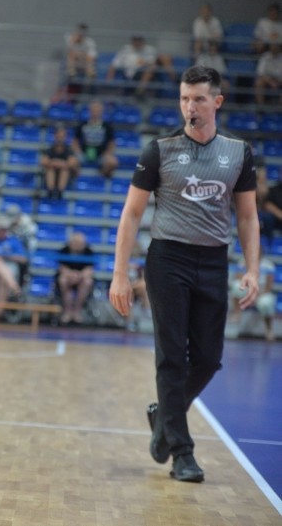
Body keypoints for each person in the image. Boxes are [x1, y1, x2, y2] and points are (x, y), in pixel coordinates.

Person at [109, 66, 260, 484]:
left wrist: (251, 269)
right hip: (167, 260)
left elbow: (247, 217)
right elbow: (132, 214)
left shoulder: (238, 152)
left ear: (217, 102)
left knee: (209, 359)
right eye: (183, 99)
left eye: (197, 99)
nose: (189, 107)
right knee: (172, 357)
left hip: (214, 261)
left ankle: (164, 414)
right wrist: (120, 274)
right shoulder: (159, 150)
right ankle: (182, 452)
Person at [106, 35, 176, 98]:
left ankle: (175, 80)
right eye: (135, 40)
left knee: (164, 57)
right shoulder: (125, 50)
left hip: (152, 74)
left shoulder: (149, 50)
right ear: (132, 41)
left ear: (142, 41)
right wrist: (109, 80)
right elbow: (114, 65)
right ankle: (139, 92)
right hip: (133, 75)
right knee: (149, 69)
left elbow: (154, 63)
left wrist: (146, 63)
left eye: (139, 40)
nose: (137, 42)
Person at [229, 247, 276, 341]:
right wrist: (250, 293)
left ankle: (269, 329)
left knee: (266, 302)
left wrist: (257, 295)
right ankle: (237, 312)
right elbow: (238, 278)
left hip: (262, 293)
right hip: (247, 290)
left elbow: (269, 286)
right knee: (236, 286)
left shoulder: (268, 265)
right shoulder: (243, 261)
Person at [56, 231, 95, 325]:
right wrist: (71, 275)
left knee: (88, 282)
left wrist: (79, 276)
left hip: (81, 277)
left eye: (80, 243)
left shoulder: (88, 252)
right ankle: (68, 311)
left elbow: (89, 269)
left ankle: (77, 310)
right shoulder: (64, 250)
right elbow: (62, 268)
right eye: (75, 243)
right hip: (68, 276)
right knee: (63, 280)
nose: (77, 245)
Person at [71, 100, 118, 178]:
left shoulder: (107, 126)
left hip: (101, 155)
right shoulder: (82, 125)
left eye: (97, 110)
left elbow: (112, 143)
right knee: (71, 162)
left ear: (101, 111)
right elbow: (74, 141)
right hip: (83, 154)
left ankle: (99, 177)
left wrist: (107, 153)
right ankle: (80, 177)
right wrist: (78, 152)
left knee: (113, 162)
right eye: (93, 110)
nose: (95, 112)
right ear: (90, 111)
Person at [41, 126, 79, 199]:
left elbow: (72, 163)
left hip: (67, 175)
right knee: (50, 170)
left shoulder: (69, 150)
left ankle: (60, 192)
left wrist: (55, 162)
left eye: (62, 136)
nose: (60, 138)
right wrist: (61, 163)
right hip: (52, 173)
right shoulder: (50, 149)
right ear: (55, 136)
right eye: (58, 136)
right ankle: (50, 191)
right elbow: (43, 162)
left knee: (64, 170)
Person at [259, 179, 282, 248]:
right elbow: (267, 205)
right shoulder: (274, 190)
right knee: (266, 217)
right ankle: (268, 242)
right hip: (276, 220)